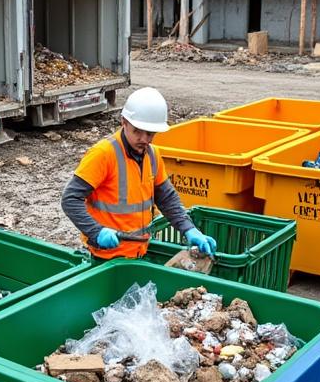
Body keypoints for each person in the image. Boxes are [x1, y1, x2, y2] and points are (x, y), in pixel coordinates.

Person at [61, 87, 216, 260]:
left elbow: (166, 198)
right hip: (104, 255)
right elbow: (70, 199)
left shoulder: (153, 154)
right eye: (137, 131)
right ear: (124, 122)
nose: (144, 139)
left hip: (139, 251)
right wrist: (96, 232)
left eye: (150, 133)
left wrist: (189, 228)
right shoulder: (104, 154)